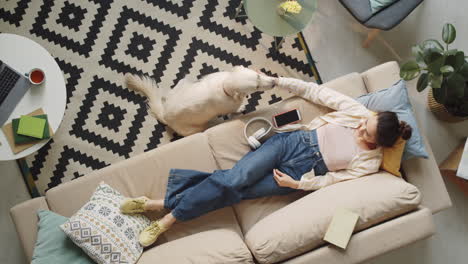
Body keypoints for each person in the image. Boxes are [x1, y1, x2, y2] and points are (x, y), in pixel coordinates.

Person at [120, 76, 413, 247]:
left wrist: (298, 183)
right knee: (232, 180)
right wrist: (277, 82)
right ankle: (166, 217)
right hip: (288, 144)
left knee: (235, 191)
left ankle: (158, 203)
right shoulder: (359, 113)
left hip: (295, 174)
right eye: (366, 124)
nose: (360, 129)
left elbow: (333, 180)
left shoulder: (370, 163)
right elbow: (317, 92)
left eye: (367, 134)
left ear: (378, 145)